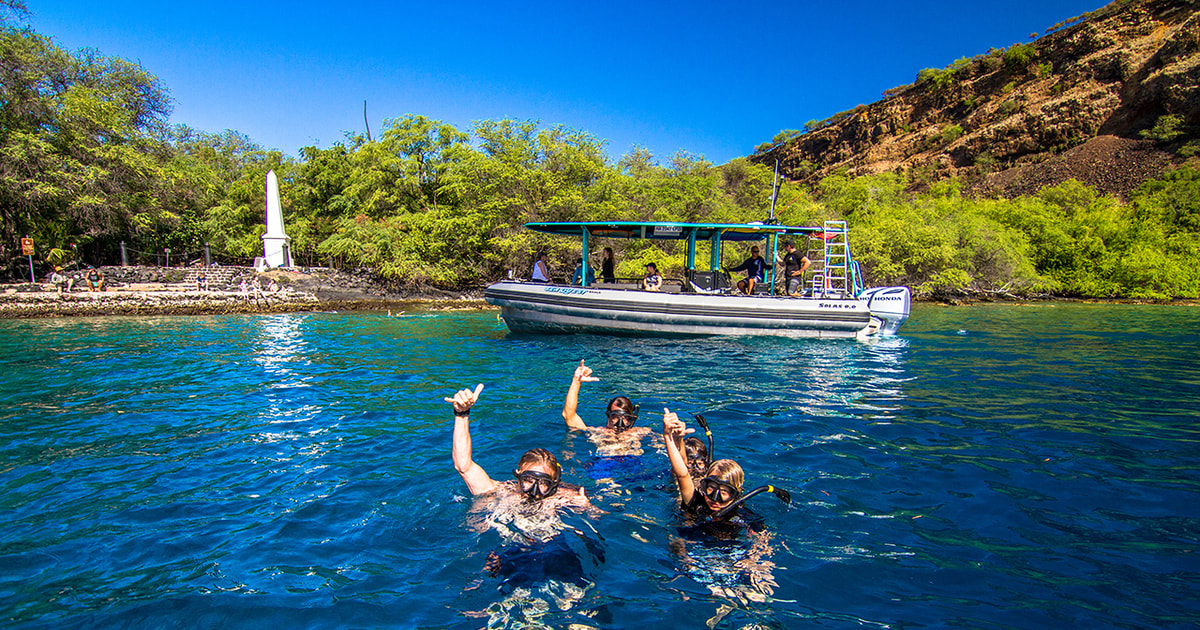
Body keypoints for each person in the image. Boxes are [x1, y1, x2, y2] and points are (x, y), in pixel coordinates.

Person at [663, 410, 746, 518]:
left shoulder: (740, 513)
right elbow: (682, 474)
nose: (715, 498)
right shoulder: (696, 503)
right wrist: (668, 436)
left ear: (735, 494)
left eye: (724, 491)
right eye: (711, 487)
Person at [562, 359, 650, 456]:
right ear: (608, 416)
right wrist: (576, 382)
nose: (619, 423)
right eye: (615, 417)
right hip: (603, 466)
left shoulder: (640, 432)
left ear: (631, 419)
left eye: (625, 418)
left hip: (633, 465)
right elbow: (569, 416)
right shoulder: (598, 433)